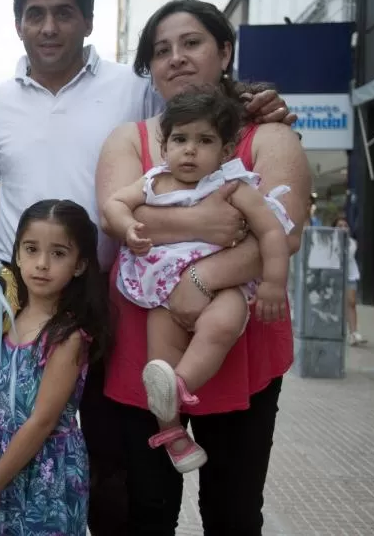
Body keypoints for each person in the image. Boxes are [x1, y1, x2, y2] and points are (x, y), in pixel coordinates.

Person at [0, 0, 293, 535]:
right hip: (50, 304)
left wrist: (255, 103)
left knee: (191, 492)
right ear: (17, 25)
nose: (49, 26)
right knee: (60, 446)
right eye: (35, 14)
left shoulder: (131, 91)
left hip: (130, 308)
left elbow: (198, 119)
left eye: (64, 12)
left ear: (88, 20)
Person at [96, 0, 311, 534]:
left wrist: (201, 278)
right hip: (146, 341)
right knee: (145, 508)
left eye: (191, 43)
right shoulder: (132, 138)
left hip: (241, 339)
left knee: (233, 510)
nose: (176, 58)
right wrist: (212, 225)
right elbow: (117, 220)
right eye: (161, 51)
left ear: (224, 51)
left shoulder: (270, 135)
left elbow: (286, 233)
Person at [103, 86, 294, 474]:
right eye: (180, 139)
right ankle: (172, 433)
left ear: (226, 151)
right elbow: (114, 205)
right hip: (163, 291)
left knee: (220, 326)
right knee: (160, 354)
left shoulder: (233, 186)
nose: (190, 150)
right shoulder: (153, 182)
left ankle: (179, 382)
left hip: (223, 286)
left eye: (204, 140)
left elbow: (274, 232)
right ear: (164, 145)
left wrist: (274, 282)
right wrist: (129, 228)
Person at [0, 199, 110, 536]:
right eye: (31, 249)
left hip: (47, 471)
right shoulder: (11, 317)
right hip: (2, 461)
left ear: (79, 265)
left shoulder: (67, 335)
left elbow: (42, 421)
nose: (42, 264)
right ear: (17, 254)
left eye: (59, 253)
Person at [335, 217, 365, 346]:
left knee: (351, 303)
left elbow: (348, 255)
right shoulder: (330, 242)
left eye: (345, 225)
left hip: (350, 275)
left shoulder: (352, 243)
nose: (343, 228)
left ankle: (354, 333)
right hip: (335, 277)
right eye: (339, 225)